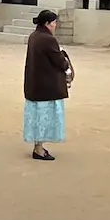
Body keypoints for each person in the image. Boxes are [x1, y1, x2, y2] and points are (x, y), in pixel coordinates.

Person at [23, 10, 72, 160]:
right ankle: (38, 149)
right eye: (54, 22)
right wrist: (67, 68)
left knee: (37, 117)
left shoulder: (34, 36)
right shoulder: (48, 39)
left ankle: (38, 146)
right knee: (43, 117)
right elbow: (58, 60)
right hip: (46, 86)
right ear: (47, 24)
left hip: (35, 84)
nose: (55, 25)